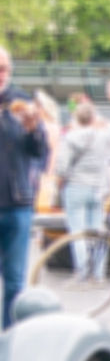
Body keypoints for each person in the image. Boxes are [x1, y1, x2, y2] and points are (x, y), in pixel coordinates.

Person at [0, 45, 49, 329]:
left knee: (16, 280)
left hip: (18, 203)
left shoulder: (21, 101)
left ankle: (9, 340)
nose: (1, 74)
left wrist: (33, 129)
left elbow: (39, 150)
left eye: (4, 69)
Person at [56, 101, 110, 281]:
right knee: (97, 231)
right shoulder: (103, 137)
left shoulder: (70, 138)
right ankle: (99, 273)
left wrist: (60, 182)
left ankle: (82, 272)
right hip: (97, 187)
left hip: (76, 186)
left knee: (78, 232)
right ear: (93, 118)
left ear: (76, 118)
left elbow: (62, 167)